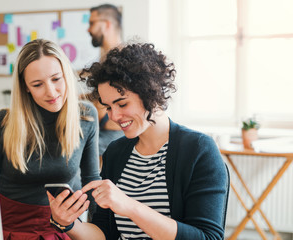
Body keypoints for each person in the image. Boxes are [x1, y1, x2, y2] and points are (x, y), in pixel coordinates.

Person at [47, 43, 230, 239]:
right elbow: (103, 234)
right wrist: (67, 223)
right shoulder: (116, 153)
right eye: (108, 107)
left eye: (122, 103)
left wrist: (129, 206)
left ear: (150, 93)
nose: (114, 116)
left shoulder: (199, 150)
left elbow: (208, 237)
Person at [0, 39, 101, 239]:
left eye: (56, 79)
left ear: (66, 75)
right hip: (9, 228)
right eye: (37, 84)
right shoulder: (3, 122)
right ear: (25, 87)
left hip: (63, 227)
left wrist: (97, 230)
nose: (51, 92)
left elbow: (91, 180)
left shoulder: (86, 116)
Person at [86, 4, 124, 164]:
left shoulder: (123, 59)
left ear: (107, 24)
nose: (88, 29)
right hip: (101, 133)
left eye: (92, 23)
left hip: (112, 136)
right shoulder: (104, 58)